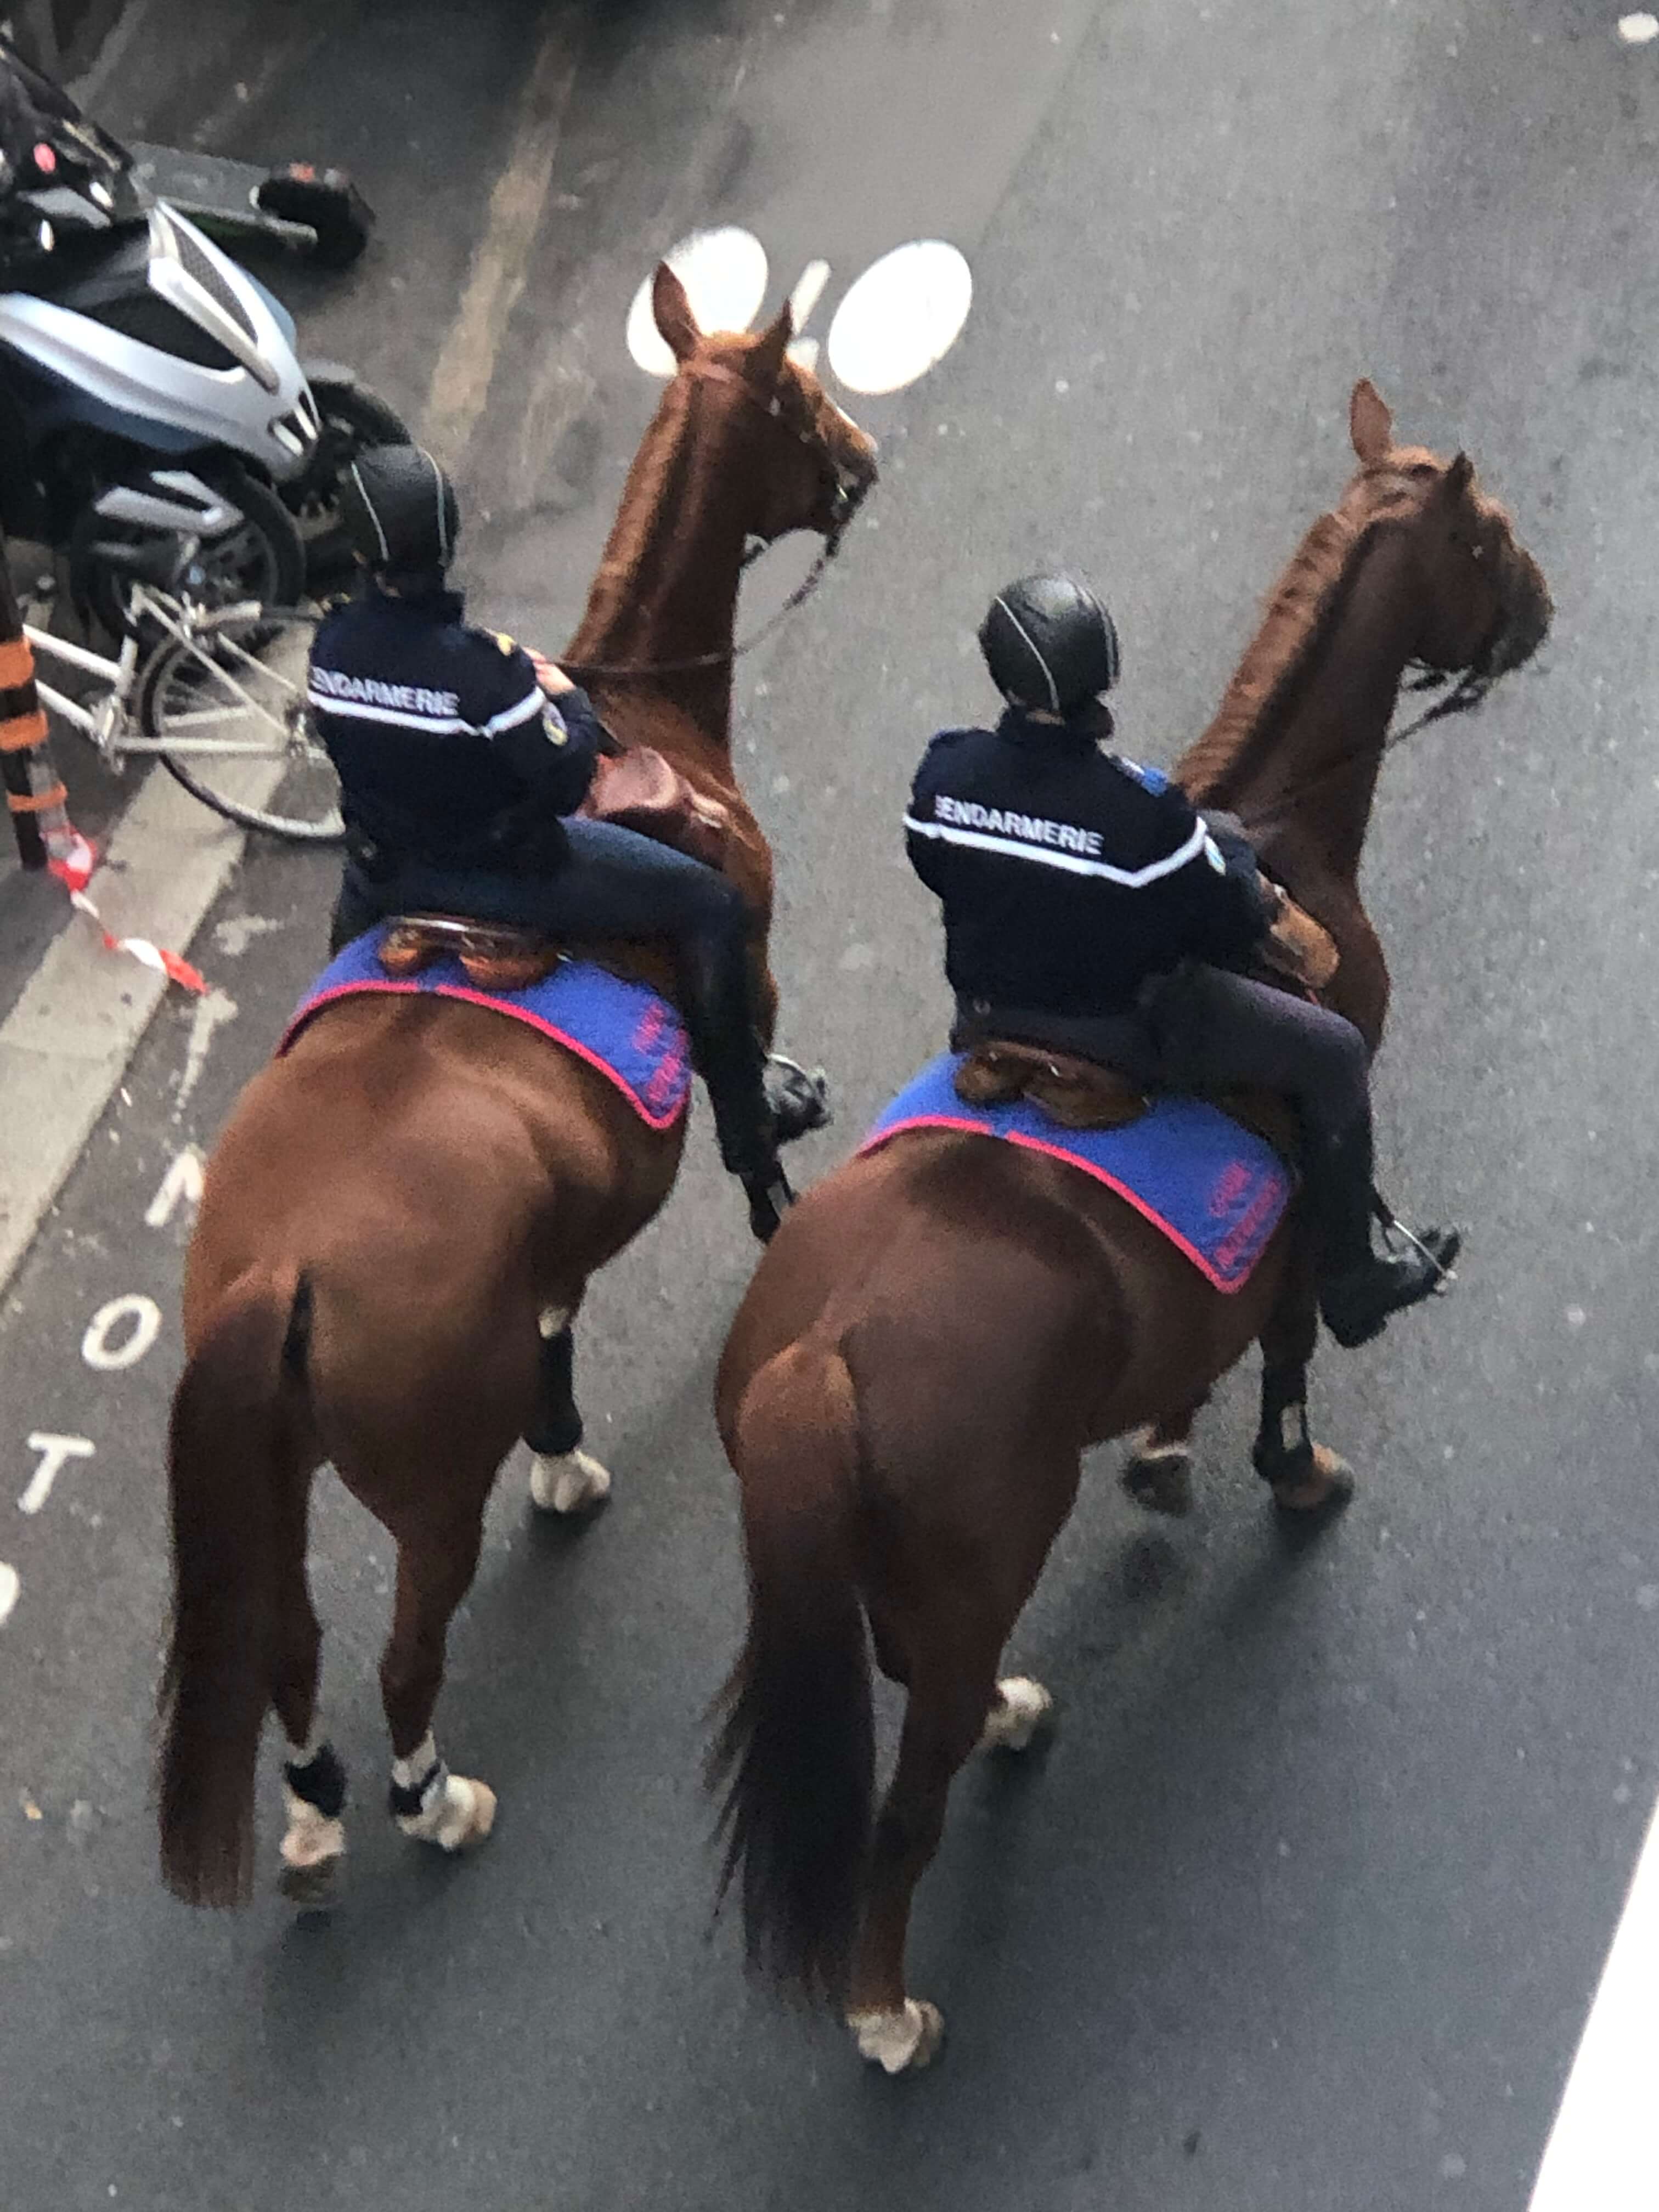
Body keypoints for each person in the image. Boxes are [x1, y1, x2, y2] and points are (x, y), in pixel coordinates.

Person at [904, 571, 1459, 1348]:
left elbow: (936, 868)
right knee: (1333, 1055)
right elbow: (1221, 927)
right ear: (1104, 671)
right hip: (1120, 1033)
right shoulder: (1142, 816)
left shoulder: (942, 778)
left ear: (1002, 669)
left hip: (989, 1018)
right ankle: (1351, 1279)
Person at [309, 443, 794, 1240]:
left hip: (388, 879)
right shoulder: (484, 672)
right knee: (709, 906)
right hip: (506, 877)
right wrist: (562, 699)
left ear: (362, 552)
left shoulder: (331, 654)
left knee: (334, 990)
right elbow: (568, 776)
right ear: (446, 542)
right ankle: (754, 1141)